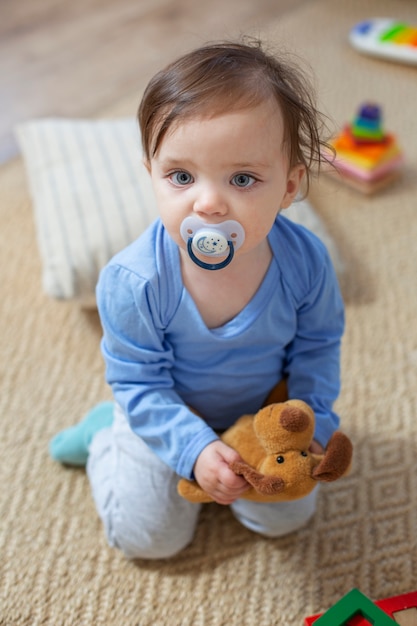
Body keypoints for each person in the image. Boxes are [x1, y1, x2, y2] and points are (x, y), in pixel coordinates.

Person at [50, 39, 344, 560]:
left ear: (290, 186)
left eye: (243, 178)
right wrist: (192, 448)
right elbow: (139, 378)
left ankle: (226, 461)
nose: (207, 203)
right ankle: (105, 437)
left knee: (285, 517)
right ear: (151, 175)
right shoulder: (134, 280)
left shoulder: (306, 262)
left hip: (261, 414)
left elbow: (318, 346)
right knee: (152, 540)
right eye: (181, 177)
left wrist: (313, 420)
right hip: (165, 407)